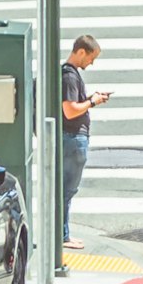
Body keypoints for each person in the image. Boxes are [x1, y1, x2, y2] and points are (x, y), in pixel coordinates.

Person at [57, 36, 110, 244]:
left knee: (66, 190)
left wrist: (90, 99)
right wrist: (93, 102)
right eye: (91, 57)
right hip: (72, 139)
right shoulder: (69, 77)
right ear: (81, 52)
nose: (91, 63)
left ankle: (63, 234)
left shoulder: (69, 74)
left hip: (71, 138)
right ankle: (62, 236)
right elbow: (69, 110)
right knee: (67, 190)